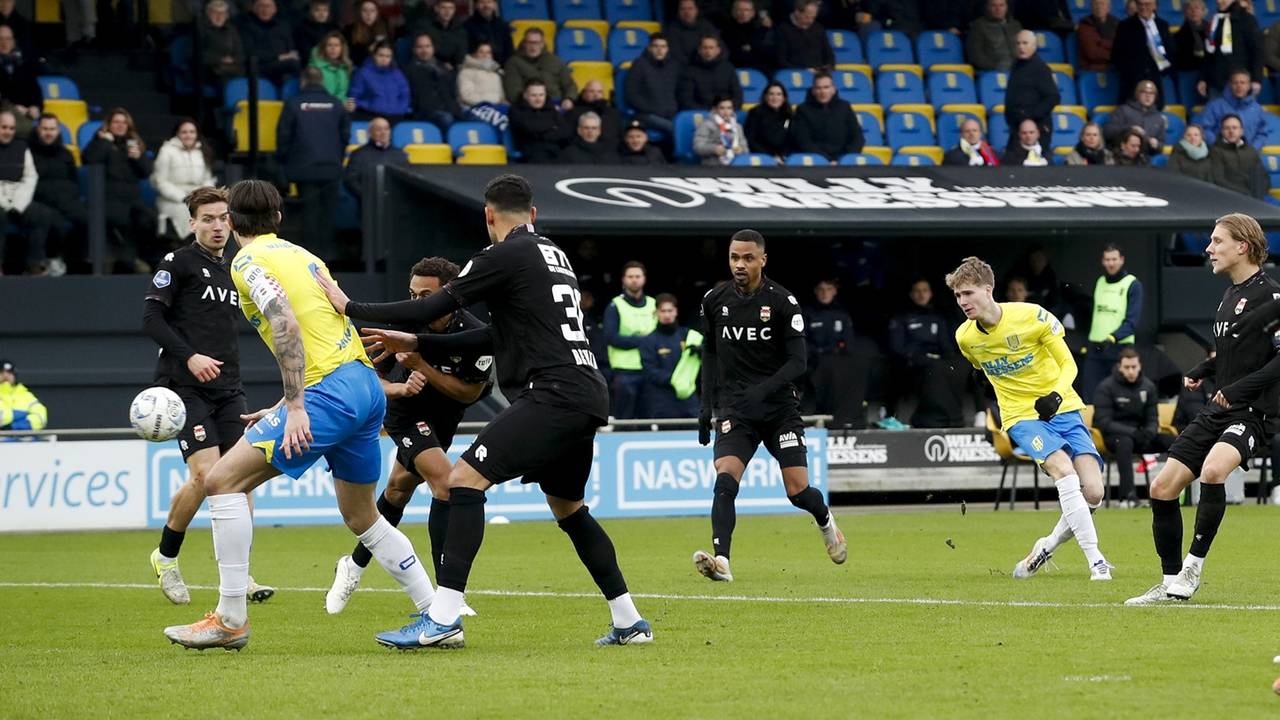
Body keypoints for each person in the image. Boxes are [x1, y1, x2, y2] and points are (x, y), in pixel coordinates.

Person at [320, 173, 653, 649]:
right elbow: (493, 336)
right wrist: (418, 342)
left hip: (552, 392)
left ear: (489, 215)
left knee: (461, 481)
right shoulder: (552, 256)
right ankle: (629, 620)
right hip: (587, 389)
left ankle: (443, 617)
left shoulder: (501, 256)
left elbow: (431, 304)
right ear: (533, 214)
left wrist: (349, 305)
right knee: (569, 507)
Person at [162, 180, 437, 651]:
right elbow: (324, 325)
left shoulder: (247, 261)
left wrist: (295, 406)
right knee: (362, 515)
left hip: (330, 390)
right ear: (279, 218)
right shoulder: (304, 256)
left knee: (221, 481)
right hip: (362, 385)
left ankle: (230, 620)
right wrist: (289, 399)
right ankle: (438, 613)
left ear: (231, 221)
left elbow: (286, 323)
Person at [1125, 214, 1280, 605]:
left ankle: (1193, 569)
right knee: (1161, 488)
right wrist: (1204, 368)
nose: (1208, 248)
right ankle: (1169, 580)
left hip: (1252, 412)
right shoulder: (1231, 294)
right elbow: (1235, 353)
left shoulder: (1272, 297)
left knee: (1213, 471)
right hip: (1219, 408)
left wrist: (1239, 389)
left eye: (1216, 241)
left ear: (1242, 246)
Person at [325, 257, 492, 616]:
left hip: (444, 419)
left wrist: (424, 368)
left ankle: (352, 565)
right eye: (413, 294)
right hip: (407, 415)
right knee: (446, 484)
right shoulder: (401, 325)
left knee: (398, 491)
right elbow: (372, 380)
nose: (417, 303)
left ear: (449, 295)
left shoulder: (474, 333)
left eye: (426, 295)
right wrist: (399, 387)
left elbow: (469, 394)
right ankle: (449, 594)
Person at [143, 186, 275, 608]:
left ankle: (240, 573)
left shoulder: (238, 269)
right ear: (192, 224)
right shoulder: (177, 263)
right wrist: (191, 356)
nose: (218, 226)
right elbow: (151, 319)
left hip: (229, 387)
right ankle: (165, 557)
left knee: (242, 477)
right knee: (205, 477)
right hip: (184, 387)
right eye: (208, 219)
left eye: (223, 219)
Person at [693, 229, 847, 583]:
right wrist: (705, 407)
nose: (740, 265)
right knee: (725, 480)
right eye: (734, 257)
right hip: (736, 410)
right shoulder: (714, 300)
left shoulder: (782, 302)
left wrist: (762, 391)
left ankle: (825, 521)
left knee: (797, 491)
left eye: (747, 258)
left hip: (778, 409)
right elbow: (710, 353)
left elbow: (798, 363)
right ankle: (722, 561)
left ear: (763, 259)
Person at [949, 256, 1112, 582]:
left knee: (1094, 492)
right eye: (957, 296)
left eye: (968, 293)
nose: (963, 302)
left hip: (1062, 406)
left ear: (988, 289)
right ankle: (1097, 561)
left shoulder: (1032, 316)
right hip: (1022, 416)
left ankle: (1046, 547)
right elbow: (980, 369)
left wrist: (1056, 393)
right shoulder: (965, 337)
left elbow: (1069, 364)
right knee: (1063, 470)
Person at [276, 67, 349, 263]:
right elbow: (345, 136)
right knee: (328, 213)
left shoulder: (294, 103)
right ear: (321, 81)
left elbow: (283, 136)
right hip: (331, 168)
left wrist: (283, 160)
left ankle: (309, 257)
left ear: (303, 81)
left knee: (310, 213)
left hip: (304, 168)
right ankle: (328, 256)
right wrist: (336, 159)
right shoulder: (335, 104)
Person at [1092, 347, 1176, 507]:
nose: (1131, 371)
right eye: (1127, 367)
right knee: (1125, 442)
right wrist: (1133, 432)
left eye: (1134, 367)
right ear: (1119, 367)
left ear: (1139, 366)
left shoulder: (1148, 386)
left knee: (1176, 442)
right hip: (1114, 436)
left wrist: (1149, 432)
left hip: (1142, 435)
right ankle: (1128, 497)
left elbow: (1153, 418)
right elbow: (1103, 422)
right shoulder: (1106, 387)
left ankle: (1176, 492)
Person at [83, 107, 157, 274]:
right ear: (108, 125)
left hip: (131, 198)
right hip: (106, 197)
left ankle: (134, 259)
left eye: (123, 122)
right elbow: (90, 159)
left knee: (149, 219)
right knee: (116, 217)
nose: (120, 125)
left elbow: (146, 172)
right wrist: (105, 142)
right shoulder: (99, 142)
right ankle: (115, 260)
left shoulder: (134, 144)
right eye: (116, 122)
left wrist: (139, 158)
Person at [887, 278, 965, 429]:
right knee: (932, 368)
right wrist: (917, 356)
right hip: (911, 362)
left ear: (930, 294)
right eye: (917, 291)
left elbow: (946, 346)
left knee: (957, 365)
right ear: (911, 294)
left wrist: (948, 358)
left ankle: (954, 415)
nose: (921, 295)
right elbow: (897, 347)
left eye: (925, 291)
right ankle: (927, 416)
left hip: (936, 361)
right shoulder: (902, 317)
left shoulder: (937, 317)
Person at [1082, 244, 1144, 400]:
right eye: (1107, 259)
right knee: (1090, 393)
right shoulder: (1100, 282)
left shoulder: (1132, 284)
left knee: (1119, 395)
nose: (1111, 263)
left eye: (1114, 259)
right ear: (1103, 261)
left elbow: (1132, 322)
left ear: (1121, 260)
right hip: (1096, 348)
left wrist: (1111, 338)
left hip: (1120, 349)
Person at [0, 110, 56, 276]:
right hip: (0, 200)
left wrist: (18, 203)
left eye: (11, 128)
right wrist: (4, 202)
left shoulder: (22, 147)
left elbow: (30, 177)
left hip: (18, 199)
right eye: (3, 127)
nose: (8, 131)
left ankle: (35, 264)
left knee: (43, 214)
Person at [803, 279, 862, 428]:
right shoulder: (807, 313)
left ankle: (845, 419)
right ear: (815, 291)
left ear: (835, 291)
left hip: (837, 363)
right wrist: (818, 353)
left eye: (828, 289)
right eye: (821, 289)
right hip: (813, 362)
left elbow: (849, 344)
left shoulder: (842, 314)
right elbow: (802, 342)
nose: (824, 293)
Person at [30, 114, 82, 276]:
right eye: (45, 129)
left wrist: (69, 196)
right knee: (55, 221)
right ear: (38, 130)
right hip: (41, 202)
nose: (48, 133)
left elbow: (74, 181)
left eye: (52, 129)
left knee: (88, 219)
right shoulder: (29, 152)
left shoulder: (66, 154)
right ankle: (52, 260)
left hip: (66, 202)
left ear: (58, 130)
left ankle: (79, 266)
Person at [603, 261, 657, 419]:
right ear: (623, 280)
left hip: (650, 372)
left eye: (638, 276)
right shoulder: (615, 305)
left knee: (649, 421)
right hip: (624, 373)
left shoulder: (654, 304)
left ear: (644, 279)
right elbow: (611, 338)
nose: (634, 280)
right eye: (630, 276)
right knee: (624, 420)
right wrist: (642, 340)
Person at [638, 293, 702, 419]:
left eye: (670, 310)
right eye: (663, 311)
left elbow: (711, 360)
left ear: (676, 312)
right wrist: (675, 379)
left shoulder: (690, 336)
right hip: (661, 399)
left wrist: (703, 352)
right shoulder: (648, 340)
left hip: (689, 399)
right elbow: (649, 371)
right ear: (656, 313)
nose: (667, 315)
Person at [152, 119, 216, 240]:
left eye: (192, 132)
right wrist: (183, 197)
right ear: (177, 134)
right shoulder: (166, 151)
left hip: (198, 197)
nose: (188, 135)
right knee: (185, 212)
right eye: (184, 132)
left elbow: (208, 179)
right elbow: (160, 181)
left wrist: (202, 195)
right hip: (173, 200)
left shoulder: (203, 151)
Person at [787, 72, 863, 161]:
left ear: (833, 89)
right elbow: (804, 141)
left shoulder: (845, 107)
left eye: (826, 87)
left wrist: (844, 160)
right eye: (818, 88)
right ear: (813, 90)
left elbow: (857, 138)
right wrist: (825, 160)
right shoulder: (802, 110)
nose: (822, 92)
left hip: (843, 162)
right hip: (816, 162)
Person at [1005, 30, 1059, 156]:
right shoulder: (1016, 66)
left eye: (1025, 43)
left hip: (1036, 129)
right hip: (1017, 127)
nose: (1021, 47)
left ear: (1034, 46)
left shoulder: (1040, 68)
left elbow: (1053, 97)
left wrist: (1030, 116)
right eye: (1018, 43)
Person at [1111, 0, 1174, 106]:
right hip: (1131, 82)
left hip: (1155, 80)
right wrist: (1130, 71)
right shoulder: (1125, 26)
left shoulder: (1162, 25)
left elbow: (1171, 52)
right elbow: (1116, 55)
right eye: (1140, 4)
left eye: (1147, 4)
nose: (1143, 7)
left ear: (1154, 5)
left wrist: (1162, 71)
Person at [1199, 0, 1263, 98]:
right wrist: (1203, 78)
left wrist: (1256, 79)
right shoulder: (1215, 21)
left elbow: (1257, 51)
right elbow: (1209, 53)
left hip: (1240, 83)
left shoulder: (1248, 20)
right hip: (1216, 83)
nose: (1218, 1)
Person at [503, 28, 577, 109]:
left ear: (542, 44)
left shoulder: (555, 60)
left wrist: (569, 99)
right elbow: (513, 92)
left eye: (537, 43)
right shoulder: (513, 62)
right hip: (529, 106)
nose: (533, 46)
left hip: (558, 103)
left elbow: (569, 85)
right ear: (524, 43)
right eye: (530, 42)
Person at [1195, 69, 1268, 149]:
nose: (1239, 86)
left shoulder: (1257, 109)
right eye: (1235, 83)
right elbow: (1205, 129)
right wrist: (1219, 147)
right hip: (1220, 155)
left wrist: (1253, 150)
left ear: (1249, 86)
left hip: (1248, 156)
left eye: (1242, 83)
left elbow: (1262, 133)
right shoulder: (1214, 106)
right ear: (1230, 85)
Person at [405, 33, 463, 132]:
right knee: (446, 119)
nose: (424, 50)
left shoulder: (444, 67)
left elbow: (452, 92)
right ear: (414, 50)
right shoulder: (409, 70)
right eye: (420, 47)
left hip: (450, 108)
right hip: (427, 111)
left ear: (433, 48)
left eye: (428, 46)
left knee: (475, 118)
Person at [625, 33, 680, 134]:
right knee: (677, 129)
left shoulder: (673, 66)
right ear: (649, 48)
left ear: (667, 49)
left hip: (671, 113)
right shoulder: (639, 64)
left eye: (663, 47)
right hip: (646, 114)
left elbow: (678, 92)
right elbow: (631, 94)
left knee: (689, 125)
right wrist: (652, 109)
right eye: (656, 46)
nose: (660, 50)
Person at [237, 0, 301, 87]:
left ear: (274, 9)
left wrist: (293, 54)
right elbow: (251, 53)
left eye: (268, 6)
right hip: (260, 66)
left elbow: (291, 47)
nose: (265, 10)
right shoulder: (247, 27)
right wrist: (279, 57)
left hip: (283, 65)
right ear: (255, 9)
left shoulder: (283, 26)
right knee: (292, 65)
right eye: (262, 6)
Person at [344, 116, 408, 202]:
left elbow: (407, 180)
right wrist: (367, 196)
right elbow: (350, 180)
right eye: (379, 129)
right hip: (368, 204)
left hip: (395, 203)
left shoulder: (400, 154)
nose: (383, 133)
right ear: (370, 133)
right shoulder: (358, 154)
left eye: (386, 129)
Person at [677, 34, 743, 110]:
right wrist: (708, 112)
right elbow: (686, 100)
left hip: (727, 114)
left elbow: (738, 95)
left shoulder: (728, 68)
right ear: (699, 50)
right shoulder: (689, 71)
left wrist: (726, 110)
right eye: (705, 48)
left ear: (718, 50)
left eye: (711, 48)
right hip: (702, 115)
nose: (708, 51)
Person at [350, 40, 411, 122]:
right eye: (381, 55)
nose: (384, 59)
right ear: (374, 55)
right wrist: (369, 105)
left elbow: (405, 95)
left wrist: (400, 109)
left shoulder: (397, 74)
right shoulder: (363, 73)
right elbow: (354, 96)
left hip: (396, 116)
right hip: (371, 116)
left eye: (388, 56)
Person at [509, 79, 568, 163]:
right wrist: (552, 127)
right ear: (525, 95)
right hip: (530, 152)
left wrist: (543, 134)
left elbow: (565, 131)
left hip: (555, 149)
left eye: (541, 95)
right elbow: (529, 127)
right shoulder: (516, 110)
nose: (538, 99)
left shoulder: (551, 109)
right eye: (534, 95)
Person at [1209, 113, 1267, 198]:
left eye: (1234, 128)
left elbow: (1263, 177)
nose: (1231, 131)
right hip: (1229, 199)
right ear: (1222, 131)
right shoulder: (1215, 151)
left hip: (1256, 199)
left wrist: (1257, 196)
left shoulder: (1251, 151)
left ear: (1241, 131)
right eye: (1227, 128)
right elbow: (1218, 180)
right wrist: (1245, 195)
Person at [1104, 80, 1166, 156]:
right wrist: (1130, 129)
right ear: (1137, 94)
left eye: (1151, 94)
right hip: (1121, 157)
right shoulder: (1123, 110)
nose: (1148, 96)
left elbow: (1162, 144)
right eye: (1144, 92)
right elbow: (1107, 132)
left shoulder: (1159, 118)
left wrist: (1157, 144)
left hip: (1145, 159)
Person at [774, 0, 834, 71]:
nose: (810, 21)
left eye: (813, 17)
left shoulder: (818, 28)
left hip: (819, 74)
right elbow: (781, 61)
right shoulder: (783, 29)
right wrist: (804, 70)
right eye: (807, 17)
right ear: (797, 12)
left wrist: (826, 68)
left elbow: (830, 56)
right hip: (796, 75)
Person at [566, 80, 622, 150]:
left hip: (610, 152)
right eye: (591, 91)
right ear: (584, 93)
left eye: (599, 92)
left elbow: (619, 135)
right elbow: (569, 137)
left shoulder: (613, 113)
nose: (596, 95)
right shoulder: (574, 113)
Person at [967, 0, 1022, 72]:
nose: (998, 9)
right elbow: (976, 56)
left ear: (1007, 7)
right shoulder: (978, 26)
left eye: (1001, 5)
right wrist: (995, 67)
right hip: (993, 71)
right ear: (987, 7)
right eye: (993, 5)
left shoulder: (1016, 25)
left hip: (1018, 69)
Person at [719, 0, 772, 73]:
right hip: (735, 68)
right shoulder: (727, 30)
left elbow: (767, 51)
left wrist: (751, 47)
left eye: (747, 10)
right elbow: (733, 52)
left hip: (760, 69)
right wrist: (753, 47)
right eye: (739, 10)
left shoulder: (761, 29)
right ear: (733, 12)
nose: (743, 13)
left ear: (753, 13)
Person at [744, 82, 792, 161]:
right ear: (765, 96)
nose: (775, 97)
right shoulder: (755, 113)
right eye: (771, 94)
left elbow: (790, 138)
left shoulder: (788, 115)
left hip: (783, 158)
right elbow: (750, 139)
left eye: (779, 94)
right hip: (760, 156)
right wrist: (770, 157)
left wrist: (782, 155)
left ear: (784, 98)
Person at [199, 0, 245, 82]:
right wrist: (220, 59)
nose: (219, 17)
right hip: (210, 69)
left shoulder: (232, 30)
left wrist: (233, 59)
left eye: (222, 14)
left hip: (232, 67)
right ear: (208, 14)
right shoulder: (201, 30)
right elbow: (197, 55)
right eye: (215, 13)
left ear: (227, 16)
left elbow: (240, 52)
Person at [695, 96, 748, 166]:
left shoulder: (737, 127)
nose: (726, 112)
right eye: (722, 108)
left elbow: (745, 148)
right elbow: (698, 147)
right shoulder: (706, 125)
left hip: (735, 166)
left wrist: (740, 150)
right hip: (712, 166)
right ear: (715, 109)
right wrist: (714, 149)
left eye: (729, 108)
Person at [416, 0, 467, 70]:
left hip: (452, 69)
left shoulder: (460, 30)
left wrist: (453, 65)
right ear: (436, 9)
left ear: (454, 10)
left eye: (451, 8)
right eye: (444, 8)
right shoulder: (424, 26)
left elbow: (461, 56)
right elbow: (421, 51)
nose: (447, 11)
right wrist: (441, 64)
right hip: (428, 67)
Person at [665, 0, 720, 64]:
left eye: (690, 8)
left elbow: (721, 48)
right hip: (687, 69)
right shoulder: (672, 29)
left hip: (710, 65)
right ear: (678, 12)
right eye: (683, 9)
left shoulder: (706, 26)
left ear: (696, 10)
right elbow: (677, 55)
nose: (686, 12)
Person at [308, 31, 353, 107]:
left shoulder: (345, 68)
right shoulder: (314, 69)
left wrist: (348, 105)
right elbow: (312, 98)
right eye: (329, 45)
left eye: (337, 45)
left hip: (338, 109)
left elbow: (343, 95)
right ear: (324, 48)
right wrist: (337, 104)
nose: (333, 49)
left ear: (342, 48)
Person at [0, 359, 45, 432]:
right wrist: (22, 415)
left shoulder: (26, 396)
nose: (6, 376)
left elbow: (41, 417)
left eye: (9, 373)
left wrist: (14, 426)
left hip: (24, 440)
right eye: (2, 372)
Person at [463, 0, 513, 65]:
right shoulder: (467, 26)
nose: (486, 5)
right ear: (476, 5)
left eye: (489, 2)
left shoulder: (503, 26)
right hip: (476, 67)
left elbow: (509, 51)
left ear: (495, 5)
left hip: (501, 67)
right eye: (482, 2)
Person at [457, 41, 505, 109]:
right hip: (474, 110)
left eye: (488, 52)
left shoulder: (496, 74)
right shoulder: (466, 72)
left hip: (496, 110)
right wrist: (490, 101)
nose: (485, 55)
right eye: (481, 52)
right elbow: (466, 96)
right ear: (474, 54)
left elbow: (501, 97)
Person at [344, 0, 390, 66]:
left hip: (380, 66)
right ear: (359, 13)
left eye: (372, 11)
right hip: (359, 66)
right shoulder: (350, 29)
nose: (369, 14)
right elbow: (349, 56)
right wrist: (368, 50)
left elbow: (389, 51)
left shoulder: (383, 28)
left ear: (377, 13)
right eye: (365, 10)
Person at [1077, 0, 1118, 71]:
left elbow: (1123, 46)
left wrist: (1102, 42)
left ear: (1109, 8)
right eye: (1096, 4)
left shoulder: (1116, 23)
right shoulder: (1085, 24)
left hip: (1115, 65)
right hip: (1094, 67)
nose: (1099, 7)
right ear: (1091, 7)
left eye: (1102, 4)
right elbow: (1092, 53)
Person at [1173, 0, 1209, 75]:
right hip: (1188, 72)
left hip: (1209, 72)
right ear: (1185, 12)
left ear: (1203, 11)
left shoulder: (1212, 30)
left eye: (1196, 7)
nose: (1193, 11)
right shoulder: (1179, 36)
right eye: (1189, 8)